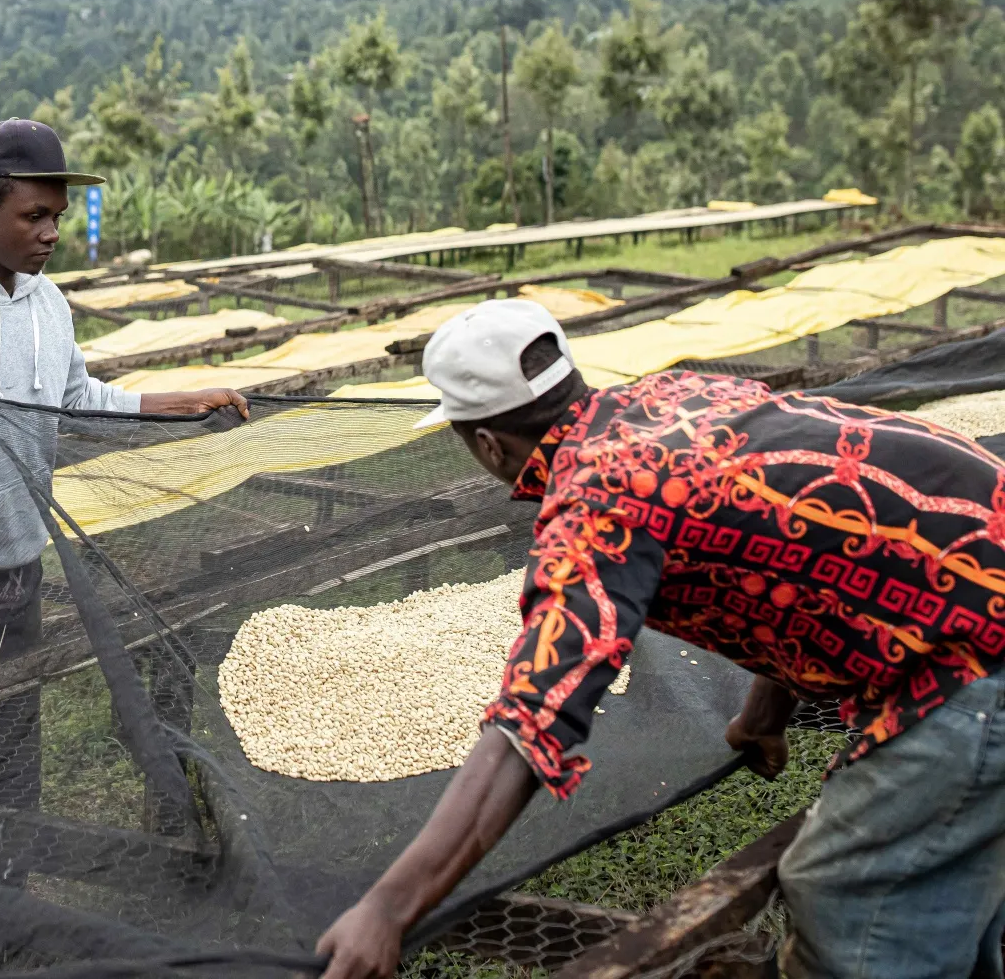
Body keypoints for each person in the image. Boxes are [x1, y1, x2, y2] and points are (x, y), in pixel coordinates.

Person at [315, 299, 1005, 979]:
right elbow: (796, 553)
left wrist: (387, 909)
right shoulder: (676, 394)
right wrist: (763, 717)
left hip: (976, 662)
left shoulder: (598, 502)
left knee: (844, 898)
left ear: (489, 445)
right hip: (979, 584)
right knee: (944, 896)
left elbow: (531, 723)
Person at [0, 118, 248, 962]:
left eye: (58, 216)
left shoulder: (48, 303)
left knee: (7, 763)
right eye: (34, 216)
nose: (51, 233)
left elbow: (73, 399)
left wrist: (168, 403)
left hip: (11, 568)